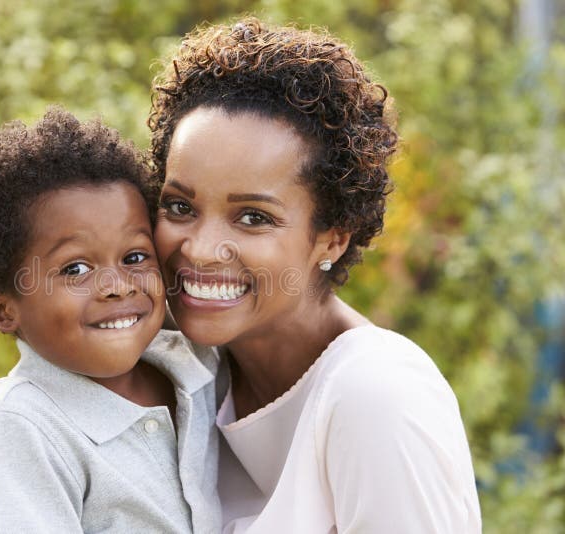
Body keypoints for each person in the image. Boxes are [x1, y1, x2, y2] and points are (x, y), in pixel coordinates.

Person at [149, 17, 482, 533]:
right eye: (179, 206)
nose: (201, 248)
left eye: (253, 217)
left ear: (333, 236)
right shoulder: (179, 373)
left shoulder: (377, 394)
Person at [0, 107, 221, 533]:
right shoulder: (22, 426)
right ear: (4, 308)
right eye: (75, 269)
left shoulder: (194, 363)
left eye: (135, 257)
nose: (117, 285)